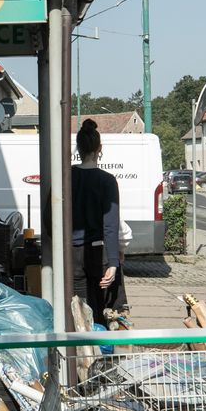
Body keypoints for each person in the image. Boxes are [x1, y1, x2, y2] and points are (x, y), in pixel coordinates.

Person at [71, 119, 124, 321]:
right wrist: (113, 262)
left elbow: (50, 217)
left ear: (78, 147)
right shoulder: (107, 181)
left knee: (75, 312)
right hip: (97, 253)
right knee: (97, 310)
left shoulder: (66, 176)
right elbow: (110, 225)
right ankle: (98, 349)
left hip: (70, 254)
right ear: (99, 148)